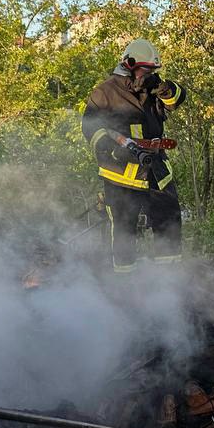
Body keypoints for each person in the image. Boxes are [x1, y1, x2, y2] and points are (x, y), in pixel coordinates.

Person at [81, 38, 187, 272]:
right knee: (124, 230)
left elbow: (177, 98)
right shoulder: (105, 92)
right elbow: (90, 127)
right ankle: (124, 281)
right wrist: (112, 149)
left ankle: (169, 278)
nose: (149, 74)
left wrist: (162, 87)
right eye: (145, 69)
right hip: (120, 173)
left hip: (156, 168)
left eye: (152, 70)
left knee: (168, 220)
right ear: (129, 65)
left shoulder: (153, 88)